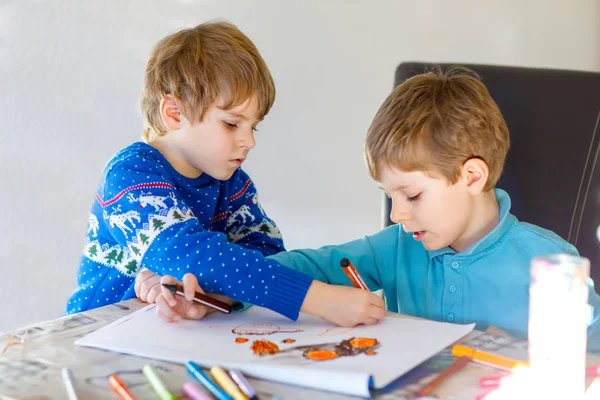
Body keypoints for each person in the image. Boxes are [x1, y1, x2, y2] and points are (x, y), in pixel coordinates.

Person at [140, 66, 600, 352]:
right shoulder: (397, 248)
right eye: (390, 196)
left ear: (472, 177)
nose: (398, 215)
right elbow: (307, 264)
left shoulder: (549, 266)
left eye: (413, 195)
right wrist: (221, 295)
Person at [65, 21, 385, 327]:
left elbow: (267, 254)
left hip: (175, 337)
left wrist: (211, 296)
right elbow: (187, 253)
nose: (250, 141)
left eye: (253, 126)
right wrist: (320, 299)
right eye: (232, 124)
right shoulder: (132, 173)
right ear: (174, 113)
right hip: (96, 334)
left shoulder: (232, 183)